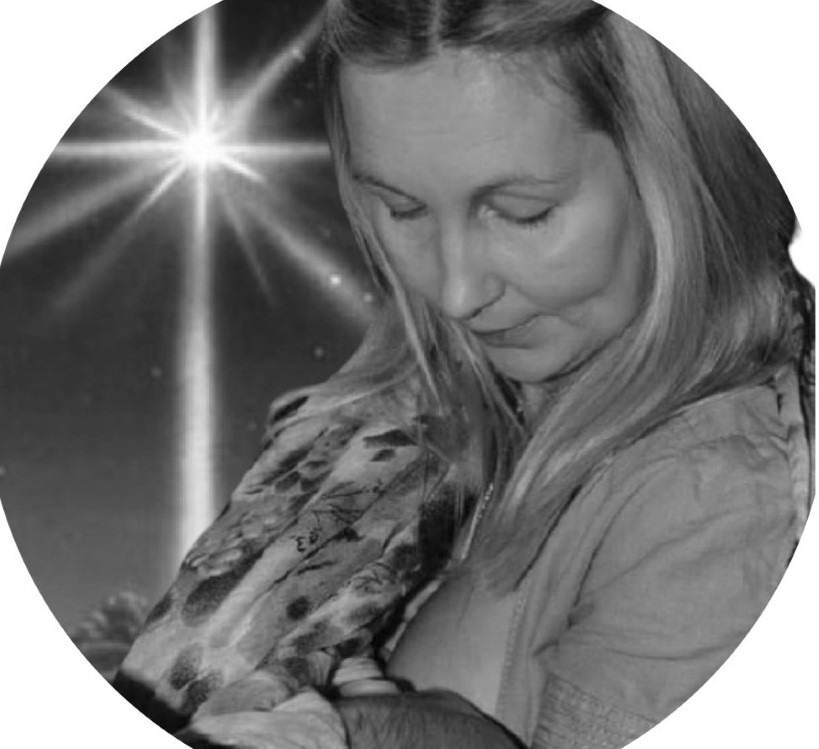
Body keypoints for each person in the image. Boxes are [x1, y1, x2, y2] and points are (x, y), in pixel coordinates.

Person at [311, 0, 813, 747]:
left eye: (523, 213)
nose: (457, 292)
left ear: (677, 172)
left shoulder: (715, 496)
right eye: (400, 208)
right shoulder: (451, 405)